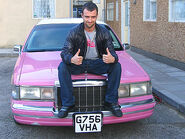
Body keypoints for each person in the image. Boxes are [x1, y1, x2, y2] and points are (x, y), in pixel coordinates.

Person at [58, 2, 122, 118]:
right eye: (87, 16)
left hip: (97, 63)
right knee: (62, 66)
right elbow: (64, 52)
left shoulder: (104, 32)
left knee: (116, 66)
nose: (90, 20)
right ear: (82, 15)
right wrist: (71, 59)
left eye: (93, 17)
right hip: (80, 63)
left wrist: (113, 58)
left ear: (96, 16)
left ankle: (111, 102)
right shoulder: (74, 32)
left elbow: (113, 54)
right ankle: (68, 104)